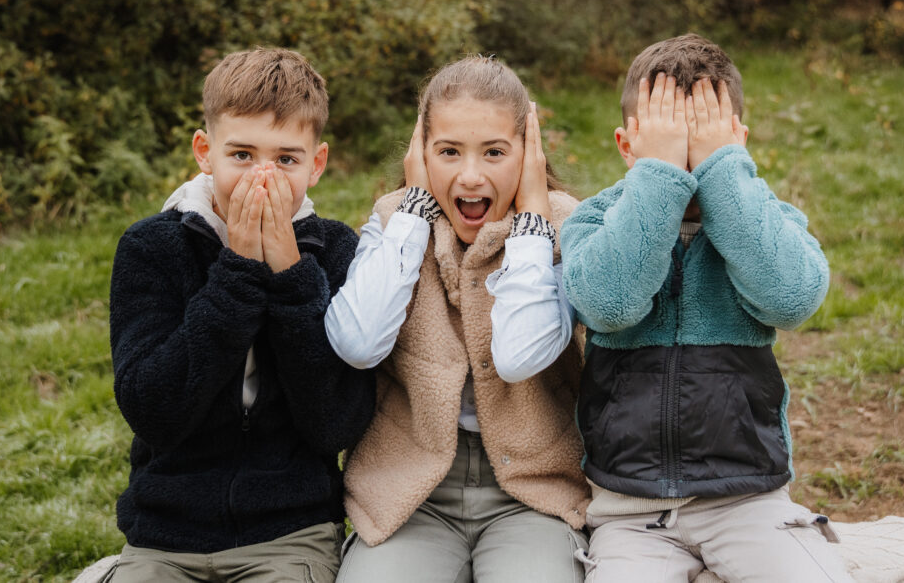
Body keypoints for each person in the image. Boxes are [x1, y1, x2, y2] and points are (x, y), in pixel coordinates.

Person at [560, 34, 852, 582]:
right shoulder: (596, 222)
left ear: (736, 143)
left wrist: (725, 176)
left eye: (702, 147)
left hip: (750, 501)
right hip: (629, 511)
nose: (688, 165)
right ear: (629, 147)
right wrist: (659, 179)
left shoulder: (765, 220)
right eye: (671, 148)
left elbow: (791, 299)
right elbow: (610, 305)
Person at [108, 48, 375, 582]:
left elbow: (336, 426)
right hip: (166, 533)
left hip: (290, 531)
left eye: (286, 160)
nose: (262, 178)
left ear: (316, 164)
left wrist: (292, 279)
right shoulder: (151, 248)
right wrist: (236, 272)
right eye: (242, 155)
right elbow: (152, 411)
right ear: (205, 152)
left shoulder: (338, 251)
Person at [326, 56, 591, 583]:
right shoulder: (392, 221)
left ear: (528, 155)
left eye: (495, 152)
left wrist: (533, 221)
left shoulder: (565, 228)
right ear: (420, 155)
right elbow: (356, 344)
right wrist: (414, 212)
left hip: (533, 490)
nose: (470, 175)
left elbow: (518, 355)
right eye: (448, 152)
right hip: (412, 492)